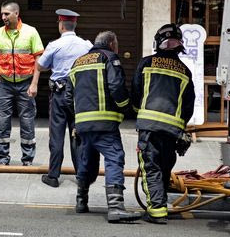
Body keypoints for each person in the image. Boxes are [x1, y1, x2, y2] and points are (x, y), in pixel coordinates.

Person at [66, 31, 142, 223]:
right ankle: (116, 207)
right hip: (104, 123)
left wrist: (78, 119)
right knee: (114, 158)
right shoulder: (109, 58)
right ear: (110, 44)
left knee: (87, 160)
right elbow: (116, 87)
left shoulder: (78, 62)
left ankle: (81, 201)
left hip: (82, 124)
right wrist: (127, 109)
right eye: (116, 44)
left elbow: (68, 95)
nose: (117, 48)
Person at [131, 23, 195, 224]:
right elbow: (188, 105)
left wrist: (138, 114)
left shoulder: (146, 63)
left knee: (151, 167)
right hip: (172, 130)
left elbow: (136, 92)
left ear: (158, 43)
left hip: (149, 127)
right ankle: (160, 202)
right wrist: (181, 127)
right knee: (165, 166)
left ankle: (156, 210)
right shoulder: (185, 70)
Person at [35, 9, 92, 188]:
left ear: (61, 25)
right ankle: (82, 176)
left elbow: (40, 65)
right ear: (75, 25)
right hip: (79, 95)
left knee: (57, 135)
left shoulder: (54, 45)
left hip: (59, 94)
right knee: (78, 134)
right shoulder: (86, 45)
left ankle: (53, 176)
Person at [0, 1, 44, 166]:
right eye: (2, 14)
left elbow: (39, 58)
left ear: (16, 14)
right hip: (4, 84)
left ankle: (27, 160)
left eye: (6, 14)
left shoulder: (30, 32)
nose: (3, 17)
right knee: (2, 121)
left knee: (27, 121)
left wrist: (34, 84)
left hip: (25, 83)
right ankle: (3, 159)